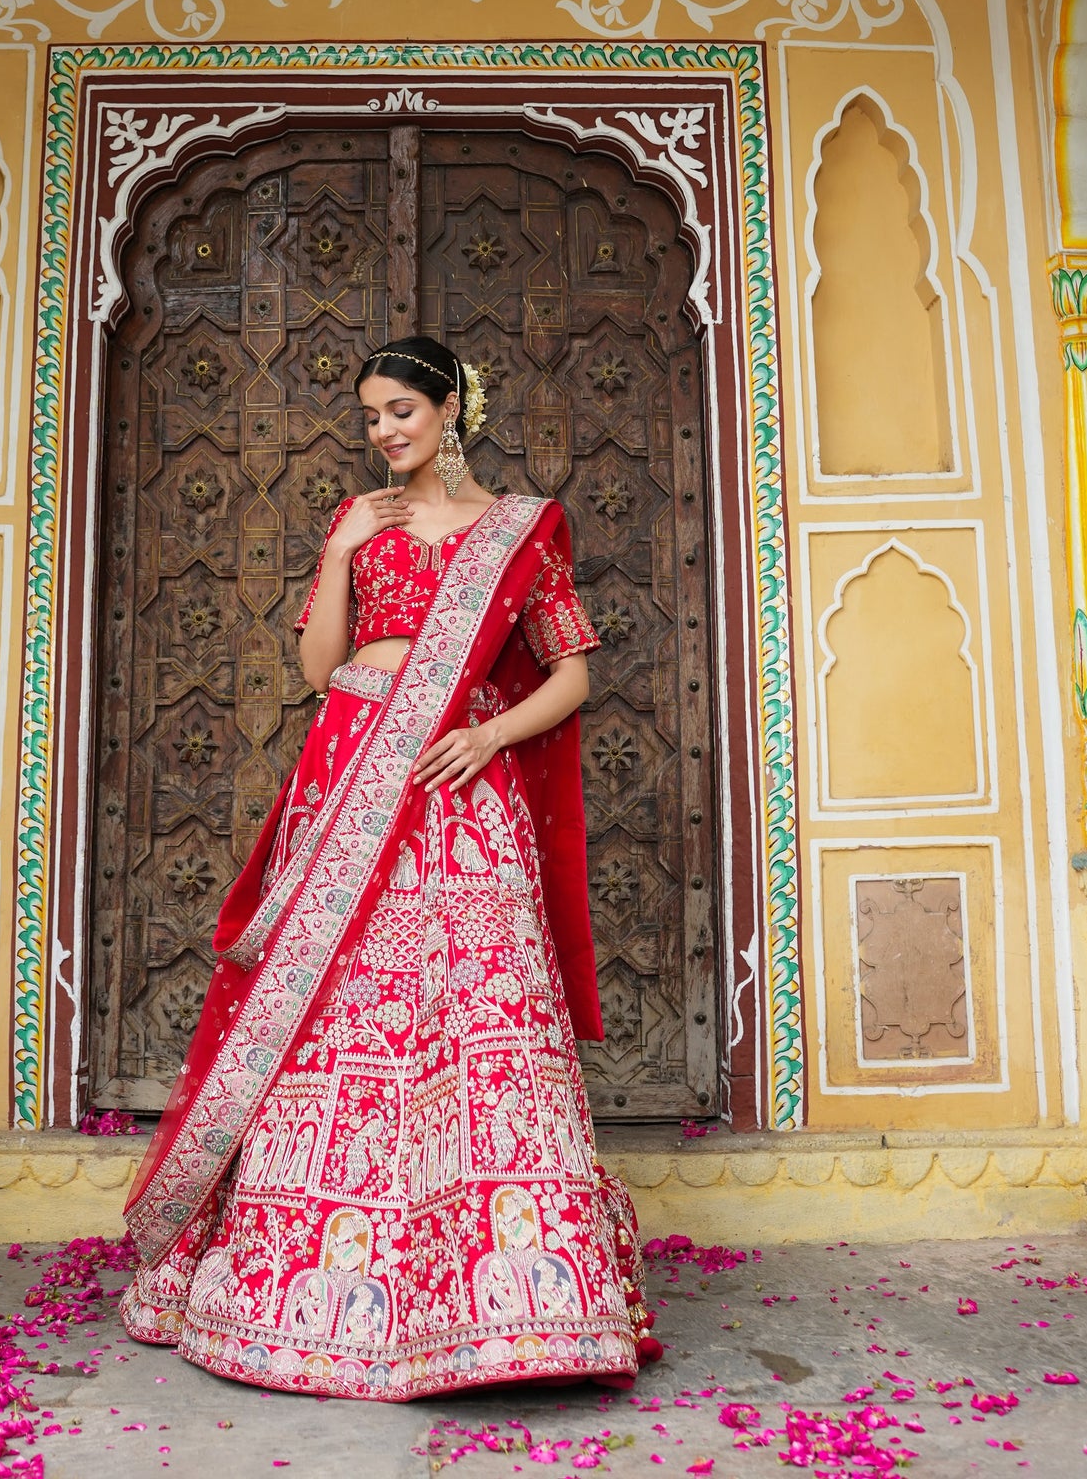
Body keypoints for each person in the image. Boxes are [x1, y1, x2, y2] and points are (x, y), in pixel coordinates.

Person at [118, 335, 659, 1399]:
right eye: (369, 414)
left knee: (467, 1013)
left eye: (401, 409)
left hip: (458, 784)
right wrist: (338, 551)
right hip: (349, 771)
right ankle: (296, 1287)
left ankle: (503, 1298)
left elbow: (573, 675)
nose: (383, 430)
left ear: (450, 407)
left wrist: (492, 736)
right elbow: (320, 667)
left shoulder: (517, 528)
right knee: (337, 1011)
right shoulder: (361, 522)